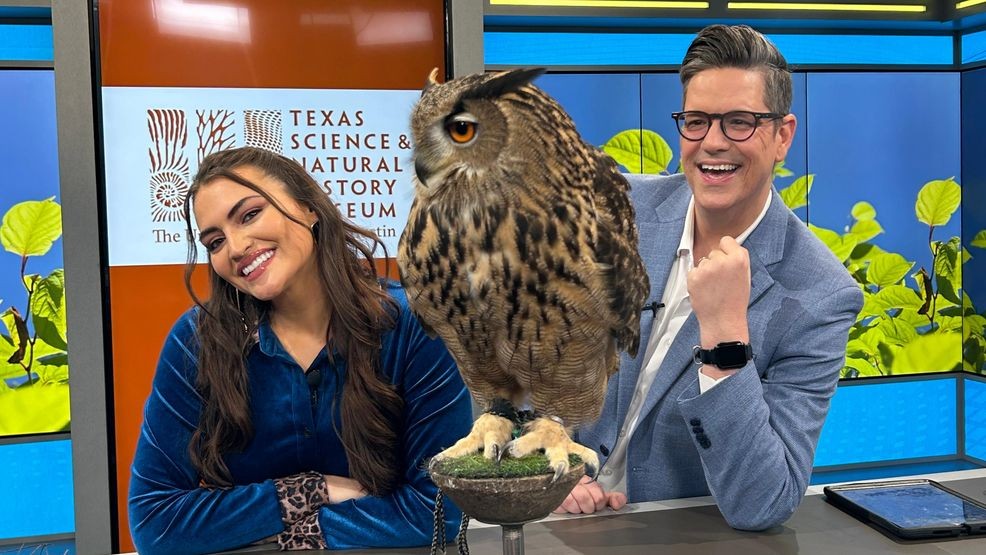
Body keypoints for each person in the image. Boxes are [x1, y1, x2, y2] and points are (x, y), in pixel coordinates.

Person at [558, 24, 863, 530]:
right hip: (554, 524)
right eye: (696, 121)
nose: (712, 144)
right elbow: (528, 356)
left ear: (783, 136)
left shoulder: (819, 296)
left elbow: (764, 503)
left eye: (739, 122)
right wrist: (547, 465)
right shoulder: (615, 209)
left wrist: (725, 339)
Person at [128, 147, 472, 554]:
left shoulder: (414, 325)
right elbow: (155, 521)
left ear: (308, 207)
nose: (235, 247)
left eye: (250, 214)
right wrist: (309, 491)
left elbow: (441, 510)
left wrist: (295, 531)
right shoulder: (196, 342)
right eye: (215, 241)